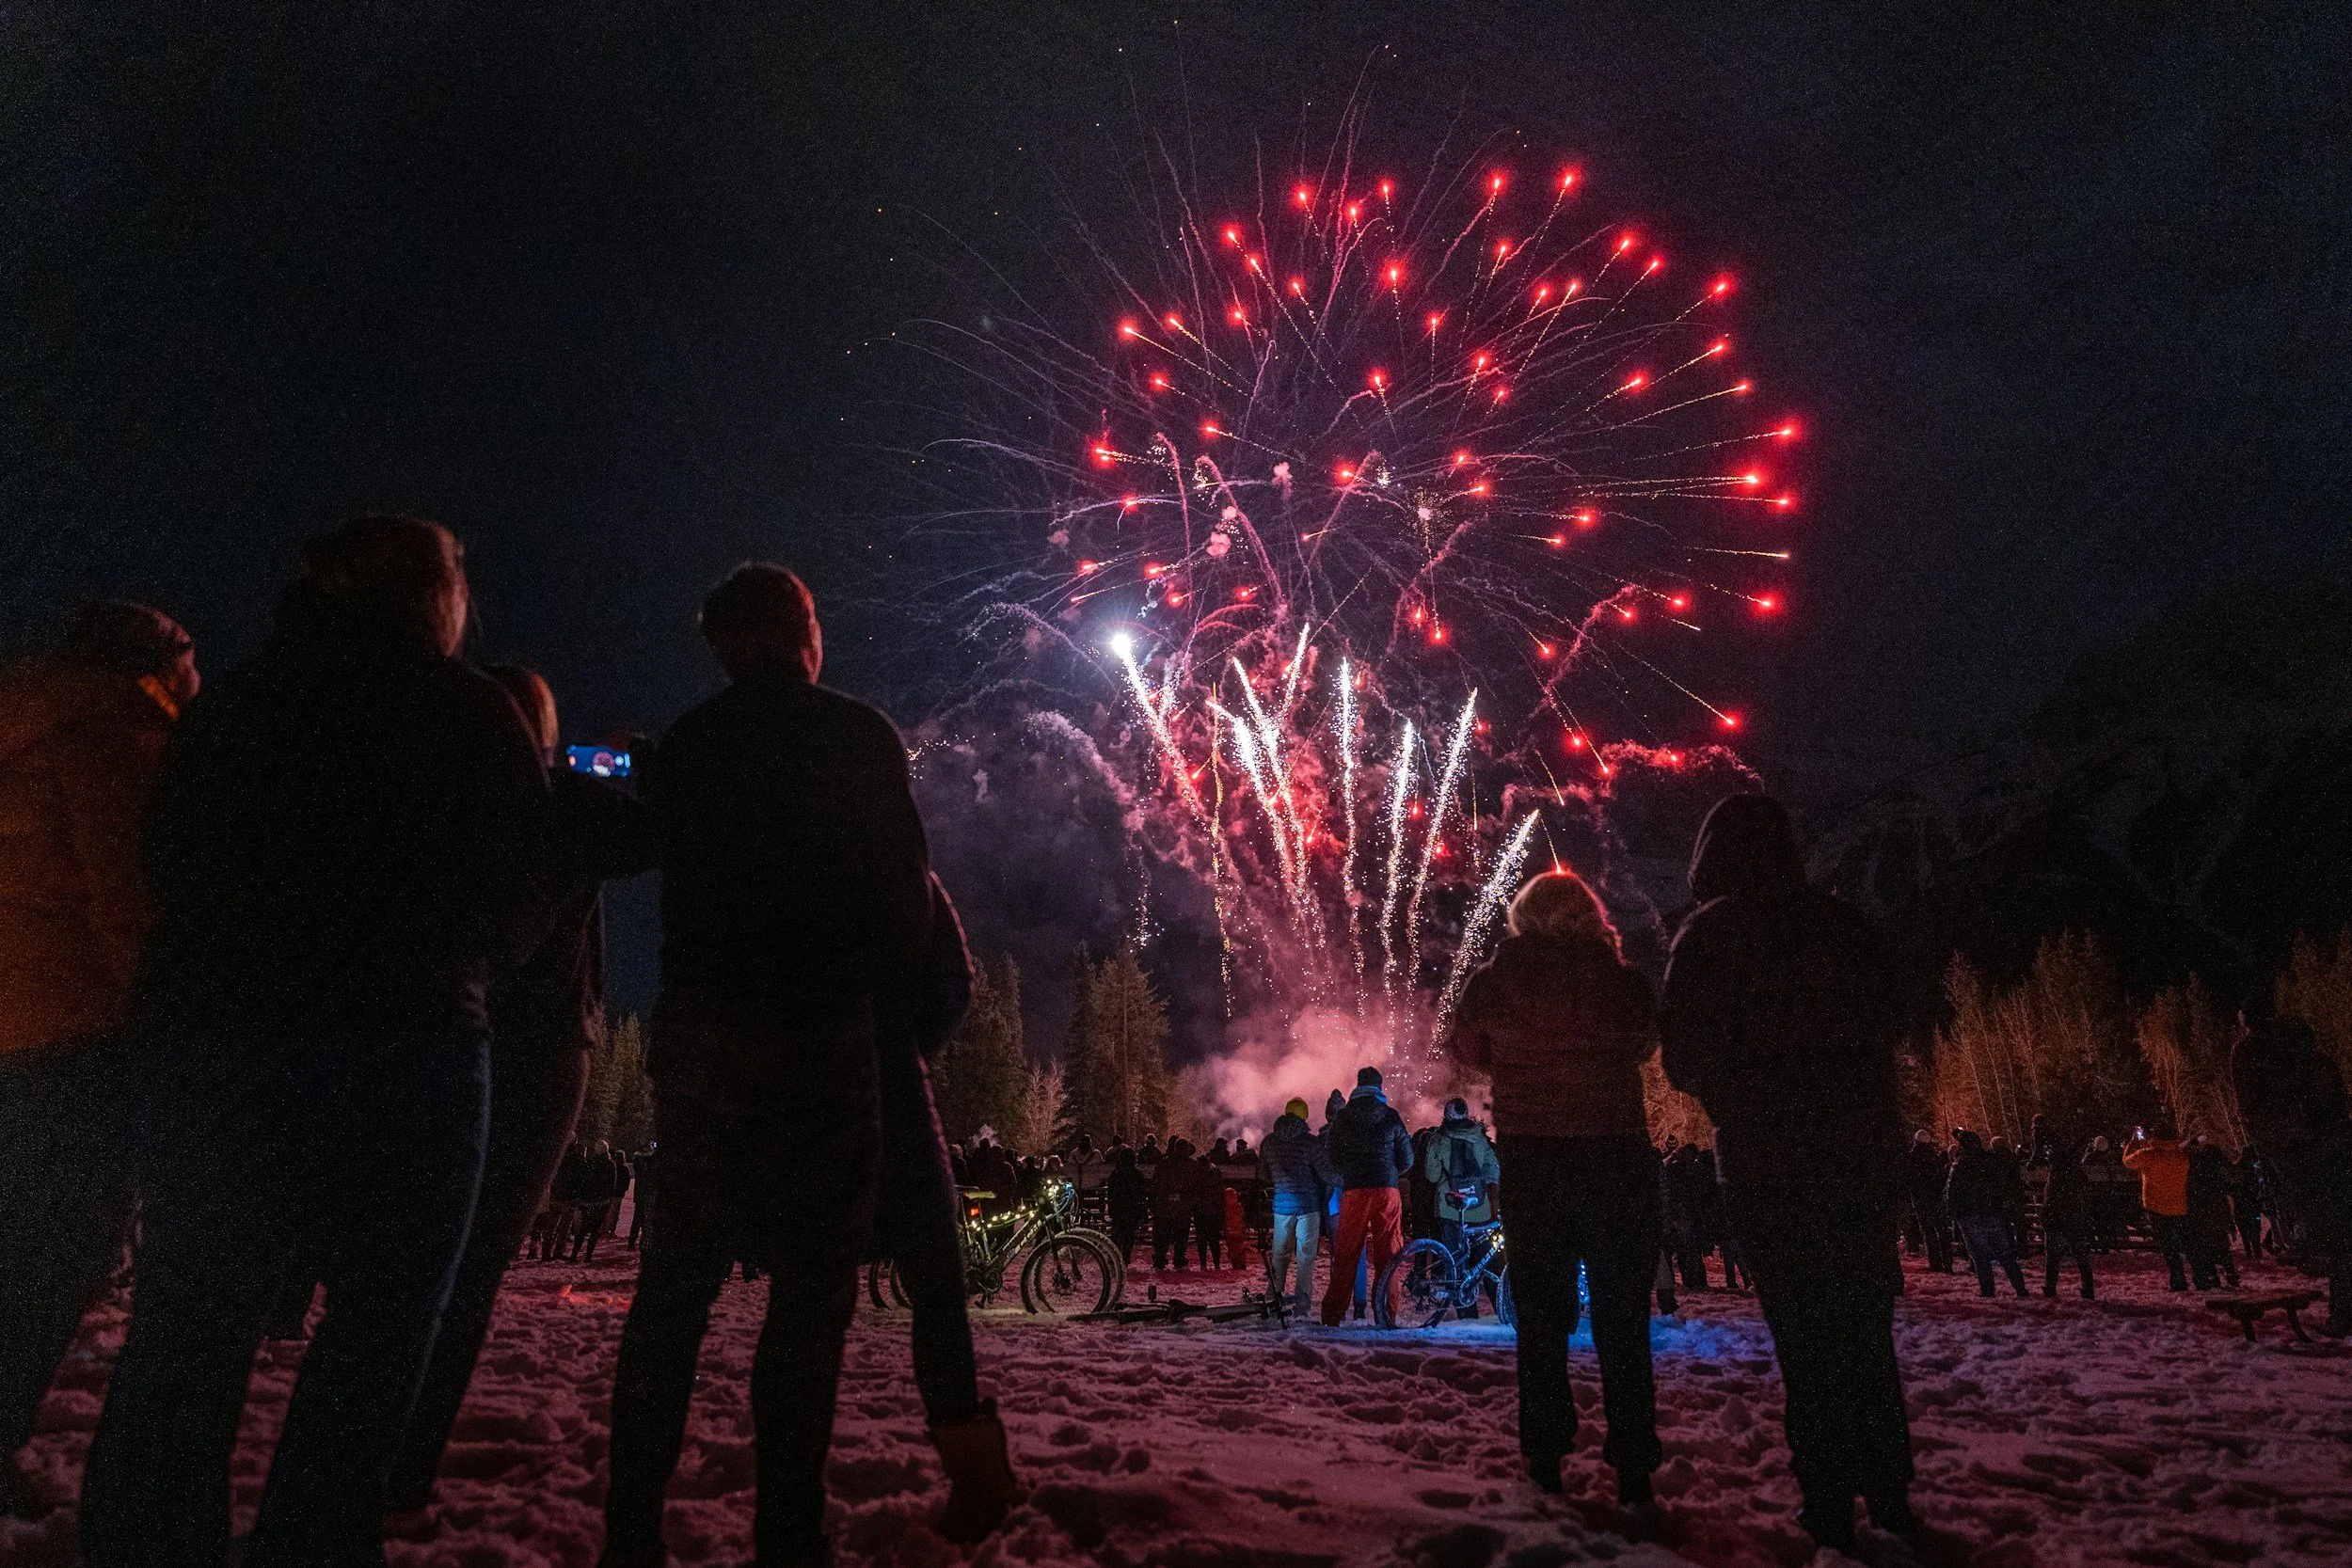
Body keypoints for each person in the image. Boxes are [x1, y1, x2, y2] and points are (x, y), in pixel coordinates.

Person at [83, 515, 556, 1568]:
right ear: (438, 598)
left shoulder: (240, 703)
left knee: (190, 1327)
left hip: (228, 1050)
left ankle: (146, 1544)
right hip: (414, 1051)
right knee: (377, 1335)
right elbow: (526, 898)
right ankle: (313, 1539)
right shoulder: (473, 715)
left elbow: (167, 857)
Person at [602, 563, 933, 1568]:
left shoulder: (693, 745)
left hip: (705, 1042)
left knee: (673, 1293)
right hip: (819, 1044)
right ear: (801, 631)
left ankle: (630, 1533)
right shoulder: (859, 736)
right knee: (808, 1302)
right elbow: (906, 914)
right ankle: (786, 1533)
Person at [388, 663, 659, 1509]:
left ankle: (352, 1464)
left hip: (420, 1030)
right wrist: (630, 765)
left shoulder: (425, 798)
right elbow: (653, 834)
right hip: (534, 1049)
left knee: (403, 1263)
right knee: (469, 1270)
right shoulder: (558, 809)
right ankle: (399, 1471)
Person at [1660, 795, 1914, 1554]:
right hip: (1863, 1154)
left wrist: (1740, 1090)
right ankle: (1892, 1491)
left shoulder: (1710, 935)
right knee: (1867, 1330)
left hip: (1770, 1161)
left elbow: (1681, 1058)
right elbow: (1893, 1017)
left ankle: (1829, 1500)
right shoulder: (1842, 923)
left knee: (1805, 1339)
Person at [0, 602, 199, 1513]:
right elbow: (131, 910)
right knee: (55, 1253)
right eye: (190, 656)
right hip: (75, 1035)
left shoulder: (27, 723)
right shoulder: (115, 739)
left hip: (14, 1019)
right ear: (159, 663)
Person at [1443, 870, 1663, 1508]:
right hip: (1615, 1155)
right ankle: (1634, 1465)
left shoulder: (1497, 979)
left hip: (1534, 1158)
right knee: (1623, 1317)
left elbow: (1470, 1049)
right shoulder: (1619, 981)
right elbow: (1646, 1044)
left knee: (1539, 1316)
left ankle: (1544, 1455)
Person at [871, 871, 1022, 1543]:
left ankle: (785, 1506)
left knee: (802, 1299)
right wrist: (897, 1051)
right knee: (938, 1285)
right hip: (880, 1085)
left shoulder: (743, 836)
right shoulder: (883, 828)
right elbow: (953, 984)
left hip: (768, 1087)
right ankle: (979, 1482)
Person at [2232, 1009, 2351, 1333]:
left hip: (2316, 1153)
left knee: (2337, 1239)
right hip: (2327, 1150)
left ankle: (2339, 1309)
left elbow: (2268, 1108)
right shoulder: (2313, 1067)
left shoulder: (2294, 1070)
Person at [1322, 1067, 1414, 1326]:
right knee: (1389, 1253)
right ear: (1379, 1087)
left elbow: (1332, 1156)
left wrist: (1351, 1170)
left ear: (1358, 1085)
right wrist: (1390, 1172)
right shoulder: (1391, 1116)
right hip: (1387, 1190)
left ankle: (1332, 1316)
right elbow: (1407, 1159)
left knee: (1347, 1253)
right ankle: (1386, 1314)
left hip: (1355, 1189)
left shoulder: (1344, 1117)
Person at [1259, 1099, 1332, 1320]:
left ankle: (1274, 1298)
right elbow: (1326, 1173)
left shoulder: (1269, 1143)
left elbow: (1262, 1174)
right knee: (1305, 1257)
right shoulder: (1310, 1143)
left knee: (1279, 1255)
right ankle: (1302, 1305)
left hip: (1282, 1205)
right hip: (1308, 1207)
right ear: (1304, 1117)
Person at [1945, 1131, 2027, 1298]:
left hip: (1970, 1214)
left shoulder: (1961, 1164)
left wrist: (1952, 1212)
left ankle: (1988, 1290)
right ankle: (2020, 1287)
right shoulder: (1991, 1161)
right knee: (2004, 1252)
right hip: (1992, 1212)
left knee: (1980, 1254)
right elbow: (2001, 1186)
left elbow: (1951, 1191)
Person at [2122, 1129, 2199, 1291]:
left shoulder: (2150, 1154)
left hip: (2156, 1205)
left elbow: (2128, 1162)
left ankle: (2178, 1281)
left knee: (2169, 1247)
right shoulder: (2180, 1155)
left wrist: (2131, 1143)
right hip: (2178, 1205)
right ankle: (2201, 1277)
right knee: (2186, 1244)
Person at [1423, 1099, 1501, 1259]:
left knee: (1452, 1260)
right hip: (1479, 1206)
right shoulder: (1479, 1138)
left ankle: (1455, 1282)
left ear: (1446, 1114)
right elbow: (1492, 1168)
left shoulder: (1438, 1139)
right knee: (1479, 1257)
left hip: (1449, 1207)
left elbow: (1432, 1176)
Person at [2034, 1127, 2097, 1300]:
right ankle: (2088, 1289)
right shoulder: (2075, 1171)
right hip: (2073, 1216)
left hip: (2056, 1217)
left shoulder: (2055, 1172)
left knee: (2053, 1257)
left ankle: (2051, 1287)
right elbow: (2084, 1186)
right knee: (2081, 1256)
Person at [2185, 1137, 2242, 1289]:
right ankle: (2229, 1272)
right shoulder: (2217, 1173)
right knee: (2221, 1243)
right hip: (2216, 1210)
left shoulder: (2195, 1170)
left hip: (2200, 1211)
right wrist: (2229, 1223)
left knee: (2205, 1245)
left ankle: (2213, 1274)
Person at [1902, 1130, 1955, 1274]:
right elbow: (1941, 1176)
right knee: (1942, 1229)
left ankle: (1936, 1262)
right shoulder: (1935, 1156)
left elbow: (1909, 1178)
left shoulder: (1912, 1157)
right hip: (1936, 1197)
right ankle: (1948, 1262)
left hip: (1921, 1199)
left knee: (1928, 1230)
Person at [1150, 1137, 1199, 1270]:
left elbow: (1156, 1184)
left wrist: (1155, 1200)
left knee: (1162, 1234)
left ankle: (1160, 1259)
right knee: (1181, 1235)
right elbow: (1195, 1186)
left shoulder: (1164, 1163)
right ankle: (1179, 1259)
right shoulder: (1192, 1165)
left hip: (1165, 1204)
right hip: (1183, 1205)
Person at [1106, 1147, 1148, 1265]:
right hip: (1132, 1209)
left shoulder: (1116, 1173)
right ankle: (1125, 1258)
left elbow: (1111, 1192)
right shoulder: (1136, 1174)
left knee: (1117, 1234)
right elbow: (1141, 1193)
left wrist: (1111, 1208)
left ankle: (1114, 1256)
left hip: (1119, 1208)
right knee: (1129, 1235)